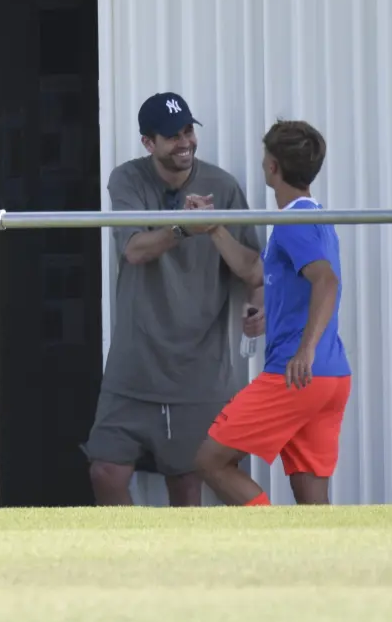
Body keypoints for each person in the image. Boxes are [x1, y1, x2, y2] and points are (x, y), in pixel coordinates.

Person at [82, 92, 263, 507]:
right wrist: (183, 227)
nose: (184, 142)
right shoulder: (127, 179)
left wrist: (259, 303)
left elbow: (256, 266)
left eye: (187, 131)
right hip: (135, 363)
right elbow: (133, 250)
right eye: (171, 136)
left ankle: (177, 568)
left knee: (186, 481)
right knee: (105, 471)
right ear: (148, 143)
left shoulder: (222, 185)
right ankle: (129, 560)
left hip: (198, 368)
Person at [194, 119, 351, 506]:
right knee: (312, 500)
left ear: (272, 166)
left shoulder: (293, 222)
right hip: (330, 379)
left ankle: (271, 540)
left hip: (295, 374)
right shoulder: (309, 218)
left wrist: (305, 350)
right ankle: (326, 564)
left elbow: (326, 282)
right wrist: (215, 228)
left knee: (210, 461)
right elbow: (253, 271)